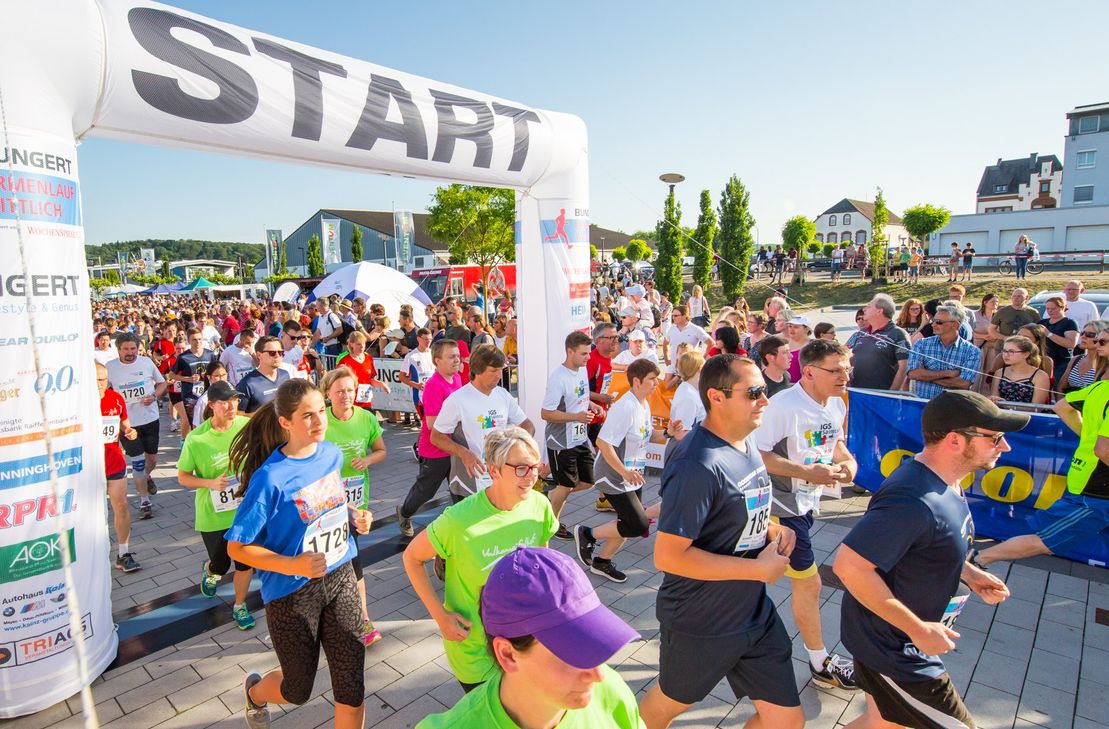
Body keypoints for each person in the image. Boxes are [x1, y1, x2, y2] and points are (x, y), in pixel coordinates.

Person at [834, 391, 1021, 729]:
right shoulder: (913, 498)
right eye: (994, 437)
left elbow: (922, 544)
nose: (1004, 447)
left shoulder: (946, 483)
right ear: (954, 440)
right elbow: (849, 567)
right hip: (894, 648)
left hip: (895, 639)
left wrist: (968, 572)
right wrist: (917, 629)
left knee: (883, 723)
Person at [640, 354, 803, 729]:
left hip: (753, 614)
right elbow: (668, 556)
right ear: (717, 397)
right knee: (667, 705)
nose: (766, 400)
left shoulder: (747, 443)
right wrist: (759, 569)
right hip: (701, 620)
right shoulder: (696, 462)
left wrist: (774, 530)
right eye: (755, 392)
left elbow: (737, 514)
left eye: (766, 391)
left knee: (786, 721)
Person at [226, 379, 373, 729]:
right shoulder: (270, 479)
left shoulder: (331, 454)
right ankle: (256, 694)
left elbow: (327, 505)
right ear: (285, 423)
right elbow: (237, 547)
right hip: (292, 594)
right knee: (298, 689)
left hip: (340, 577)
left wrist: (354, 517)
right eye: (307, 416)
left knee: (352, 684)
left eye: (321, 411)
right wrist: (294, 563)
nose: (319, 421)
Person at [415, 546, 644, 728]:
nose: (598, 675)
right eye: (572, 654)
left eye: (595, 644)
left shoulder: (612, 693)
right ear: (508, 654)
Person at [402, 428, 558, 691]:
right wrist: (440, 617)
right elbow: (411, 558)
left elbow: (541, 561)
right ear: (494, 471)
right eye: (521, 468)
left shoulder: (539, 505)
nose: (531, 476)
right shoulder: (458, 520)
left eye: (534, 466)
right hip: (475, 650)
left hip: (523, 641)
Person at [755, 340, 859, 691]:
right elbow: (758, 454)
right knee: (809, 582)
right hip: (779, 505)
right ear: (810, 371)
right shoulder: (782, 405)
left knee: (759, 574)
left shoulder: (836, 403)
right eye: (836, 369)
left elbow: (837, 446)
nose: (844, 375)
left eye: (847, 368)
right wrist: (806, 471)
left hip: (806, 502)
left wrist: (848, 464)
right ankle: (820, 662)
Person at [973, 367, 1109, 569]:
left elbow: (1062, 406)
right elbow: (1104, 450)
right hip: (1097, 490)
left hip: (1085, 476)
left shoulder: (1100, 387)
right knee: (1046, 540)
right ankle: (976, 559)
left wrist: (1087, 436)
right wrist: (1094, 441)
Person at [573, 358, 679, 583]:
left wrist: (668, 433)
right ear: (637, 381)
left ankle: (602, 561)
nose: (656, 384)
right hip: (613, 475)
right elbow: (603, 443)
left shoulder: (644, 403)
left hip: (632, 475)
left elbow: (649, 436)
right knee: (637, 524)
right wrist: (623, 472)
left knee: (627, 523)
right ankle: (587, 534)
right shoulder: (625, 406)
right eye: (652, 379)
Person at [176, 380, 256, 630]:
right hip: (213, 513)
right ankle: (210, 570)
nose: (232, 406)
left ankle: (240, 606)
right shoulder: (197, 439)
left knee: (245, 562)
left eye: (234, 400)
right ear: (211, 405)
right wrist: (210, 483)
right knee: (221, 564)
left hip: (243, 510)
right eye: (225, 402)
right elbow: (183, 477)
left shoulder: (246, 426)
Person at [320, 367, 386, 647]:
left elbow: (381, 450)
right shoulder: (320, 420)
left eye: (350, 390)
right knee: (328, 563)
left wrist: (368, 461)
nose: (346, 395)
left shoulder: (367, 418)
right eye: (340, 391)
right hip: (324, 503)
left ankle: (364, 619)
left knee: (353, 560)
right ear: (328, 394)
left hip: (356, 504)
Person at [432, 344, 534, 502]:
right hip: (469, 482)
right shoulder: (457, 399)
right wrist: (464, 453)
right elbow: (436, 436)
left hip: (500, 477)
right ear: (478, 370)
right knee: (471, 526)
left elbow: (527, 425)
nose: (499, 375)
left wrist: (519, 446)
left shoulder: (503, 395)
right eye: (494, 371)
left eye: (501, 369)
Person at [397, 339, 465, 538]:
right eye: (451, 357)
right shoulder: (434, 386)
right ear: (437, 361)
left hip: (454, 447)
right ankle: (404, 513)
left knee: (459, 489)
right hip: (435, 449)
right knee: (425, 492)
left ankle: (462, 529)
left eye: (458, 356)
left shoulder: (457, 379)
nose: (456, 360)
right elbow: (432, 425)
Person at [542, 331, 605, 540]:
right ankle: (553, 524)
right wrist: (576, 416)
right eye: (584, 354)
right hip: (561, 440)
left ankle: (551, 497)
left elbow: (581, 396)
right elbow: (546, 413)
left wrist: (592, 404)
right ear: (570, 352)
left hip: (579, 437)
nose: (589, 357)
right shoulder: (558, 378)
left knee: (589, 481)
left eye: (589, 353)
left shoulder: (581, 369)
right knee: (566, 484)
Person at [105, 333, 166, 520]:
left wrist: (154, 396)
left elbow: (162, 383)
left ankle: (147, 477)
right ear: (118, 350)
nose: (130, 353)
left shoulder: (146, 363)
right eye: (126, 349)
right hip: (127, 424)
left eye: (133, 349)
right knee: (137, 462)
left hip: (149, 418)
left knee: (152, 460)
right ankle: (144, 500)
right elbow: (104, 391)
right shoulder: (110, 368)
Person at [97, 362, 141, 572]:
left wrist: (130, 432)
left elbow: (126, 425)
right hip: (87, 466)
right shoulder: (77, 404)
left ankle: (123, 553)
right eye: (96, 379)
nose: (100, 384)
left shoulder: (115, 398)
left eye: (103, 379)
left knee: (121, 505)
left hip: (113, 461)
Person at [906, 301, 981, 400]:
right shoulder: (921, 344)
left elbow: (964, 384)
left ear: (955, 325)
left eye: (939, 322)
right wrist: (948, 373)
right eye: (933, 321)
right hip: (923, 405)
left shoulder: (972, 351)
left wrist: (925, 375)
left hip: (953, 408)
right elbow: (912, 374)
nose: (933, 325)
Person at [849, 294, 910, 391]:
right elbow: (854, 356)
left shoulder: (898, 333)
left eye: (868, 307)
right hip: (856, 392)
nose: (864, 309)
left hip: (881, 394)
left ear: (879, 311)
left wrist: (892, 394)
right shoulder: (862, 332)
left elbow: (904, 366)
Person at [170, 327, 214, 437]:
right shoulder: (183, 357)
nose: (198, 342)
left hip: (208, 394)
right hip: (190, 396)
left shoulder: (210, 354)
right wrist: (188, 379)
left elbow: (217, 370)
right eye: (194, 339)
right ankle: (190, 444)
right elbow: (171, 375)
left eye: (200, 339)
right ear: (188, 341)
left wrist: (209, 376)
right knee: (194, 424)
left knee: (209, 421)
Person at [335, 331, 390, 411]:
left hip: (366, 400)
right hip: (351, 401)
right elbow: (337, 381)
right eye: (358, 344)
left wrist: (382, 384)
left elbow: (370, 379)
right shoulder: (345, 360)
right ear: (351, 344)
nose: (362, 346)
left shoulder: (369, 358)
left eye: (363, 344)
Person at [236, 335, 291, 415]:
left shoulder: (285, 375)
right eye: (272, 353)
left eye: (281, 352)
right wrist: (259, 416)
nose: (277, 356)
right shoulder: (247, 383)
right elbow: (238, 414)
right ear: (259, 355)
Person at [989, 335, 1051, 405]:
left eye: (1011, 351)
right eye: (1004, 351)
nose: (1006, 355)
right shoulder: (999, 372)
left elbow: (1037, 407)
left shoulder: (1040, 376)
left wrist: (1006, 405)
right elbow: (994, 399)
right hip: (1002, 414)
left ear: (1026, 354)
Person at [1040, 296, 1079, 390]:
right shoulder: (1042, 322)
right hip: (1043, 361)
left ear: (1062, 307)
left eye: (1053, 308)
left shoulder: (1069, 323)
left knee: (1058, 388)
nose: (1050, 311)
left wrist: (1049, 334)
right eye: (1048, 308)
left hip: (1061, 362)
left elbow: (1071, 344)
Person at [1061, 320, 1109, 393]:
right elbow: (1061, 387)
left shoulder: (1105, 366)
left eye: (1090, 334)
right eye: (1082, 333)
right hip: (1067, 401)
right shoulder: (1076, 359)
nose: (1083, 337)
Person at [668, 350, 706, 441]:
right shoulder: (688, 396)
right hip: (686, 450)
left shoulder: (691, 390)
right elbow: (680, 434)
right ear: (700, 368)